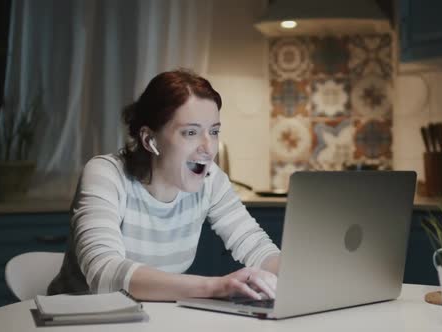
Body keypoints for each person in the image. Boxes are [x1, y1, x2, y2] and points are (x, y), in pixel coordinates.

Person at [48, 70, 280, 301]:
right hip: (79, 319)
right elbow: (104, 273)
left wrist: (300, 275)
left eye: (214, 131)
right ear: (150, 139)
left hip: (150, 319)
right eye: (190, 132)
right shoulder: (107, 174)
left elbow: (257, 247)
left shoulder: (210, 180)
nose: (209, 148)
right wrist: (216, 287)